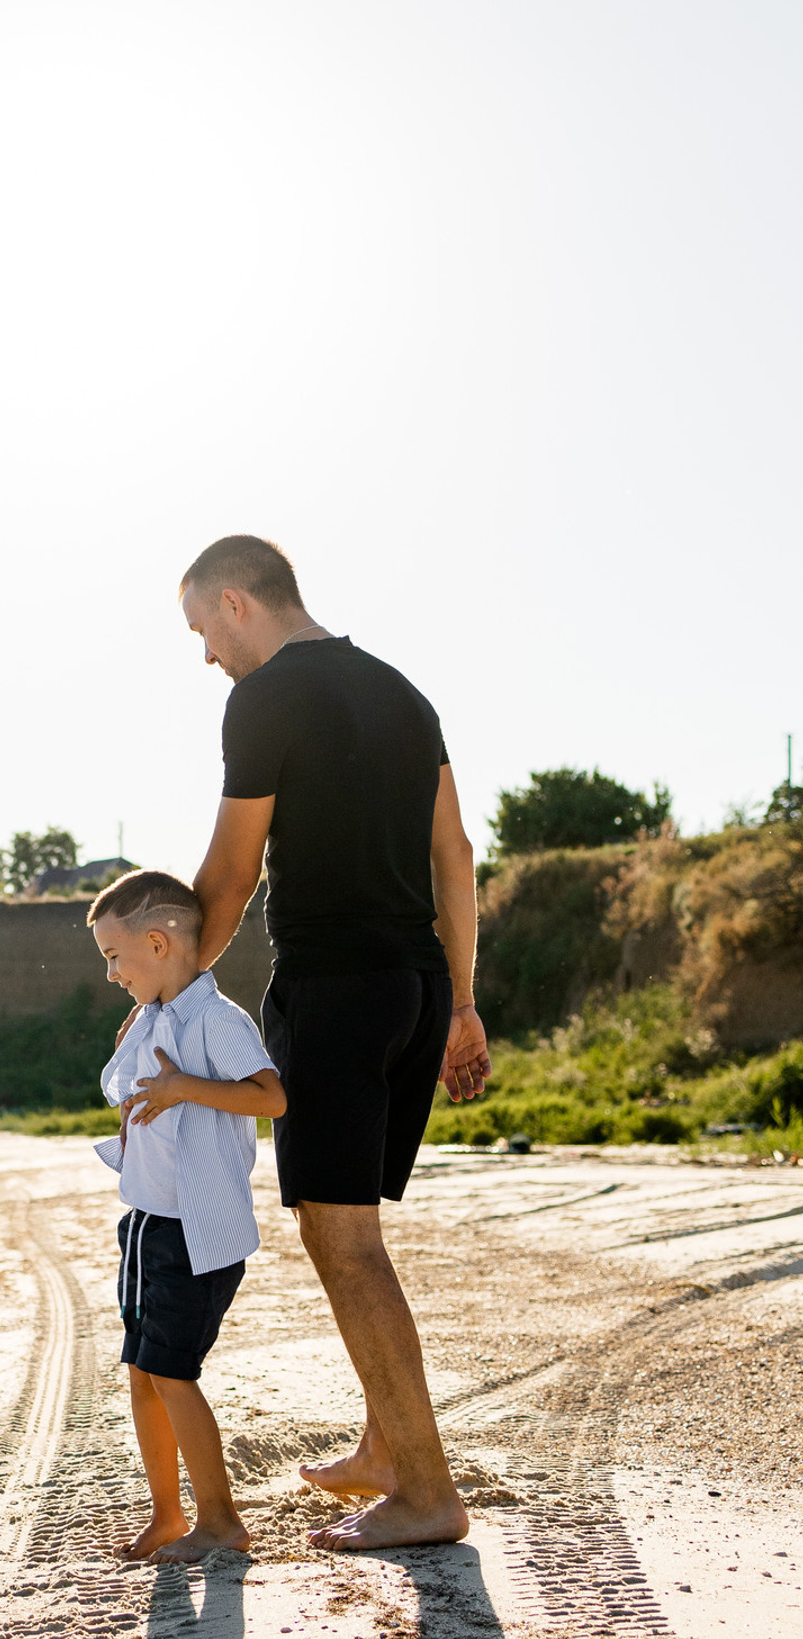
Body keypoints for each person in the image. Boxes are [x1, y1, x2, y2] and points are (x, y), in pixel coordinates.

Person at [177, 534, 490, 1551]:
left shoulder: (264, 696)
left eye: (203, 633)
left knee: (342, 1242)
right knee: (361, 1231)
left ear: (237, 603)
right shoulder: (403, 693)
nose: (208, 658)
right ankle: (385, 1445)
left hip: (337, 991)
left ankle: (426, 1491)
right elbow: (456, 853)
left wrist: (169, 994)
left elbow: (229, 872)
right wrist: (462, 1004)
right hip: (413, 986)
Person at [89, 870, 287, 1563]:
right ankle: (168, 1514)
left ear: (157, 942)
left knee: (173, 1371)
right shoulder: (150, 1016)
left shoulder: (215, 1019)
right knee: (144, 1372)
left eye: (115, 957)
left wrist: (184, 1089)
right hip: (144, 1226)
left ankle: (221, 1519)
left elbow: (271, 1099)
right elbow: (125, 1089)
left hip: (192, 1234)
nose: (111, 973)